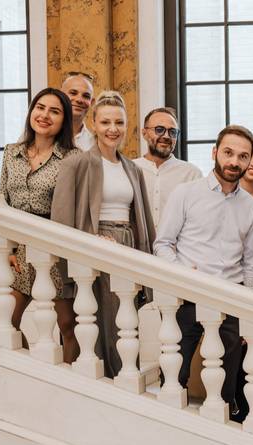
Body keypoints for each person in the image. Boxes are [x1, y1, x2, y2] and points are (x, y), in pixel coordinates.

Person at [154, 125, 253, 417]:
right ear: (215, 152)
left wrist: (245, 307)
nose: (234, 161)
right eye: (228, 152)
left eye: (242, 156)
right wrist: (184, 277)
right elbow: (163, 244)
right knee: (175, 376)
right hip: (186, 300)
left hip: (229, 303)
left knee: (224, 387)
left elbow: (251, 262)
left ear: (250, 161)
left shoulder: (250, 207)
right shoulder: (186, 193)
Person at [52, 90, 155, 378]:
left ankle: (126, 380)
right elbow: (61, 220)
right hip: (98, 245)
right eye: (106, 122)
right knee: (101, 324)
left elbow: (142, 218)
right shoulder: (77, 163)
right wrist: (92, 240)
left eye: (119, 123)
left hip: (128, 245)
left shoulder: (132, 168)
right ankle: (109, 384)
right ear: (94, 124)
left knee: (126, 323)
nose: (113, 129)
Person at [0, 87, 79, 362]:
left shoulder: (73, 158)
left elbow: (75, 209)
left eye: (54, 111)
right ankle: (26, 373)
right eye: (40, 107)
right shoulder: (11, 153)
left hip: (55, 248)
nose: (45, 115)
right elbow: (2, 202)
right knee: (6, 318)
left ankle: (70, 381)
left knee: (68, 325)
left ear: (63, 120)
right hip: (19, 249)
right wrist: (7, 250)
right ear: (32, 111)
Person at [132, 107, 202, 227]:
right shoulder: (130, 169)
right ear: (144, 133)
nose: (166, 136)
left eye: (172, 132)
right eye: (159, 130)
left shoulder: (192, 174)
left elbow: (199, 219)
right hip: (132, 246)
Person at [60, 71, 95, 151]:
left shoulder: (96, 145)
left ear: (92, 102)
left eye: (86, 96)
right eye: (73, 93)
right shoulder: (44, 135)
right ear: (61, 95)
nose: (79, 100)